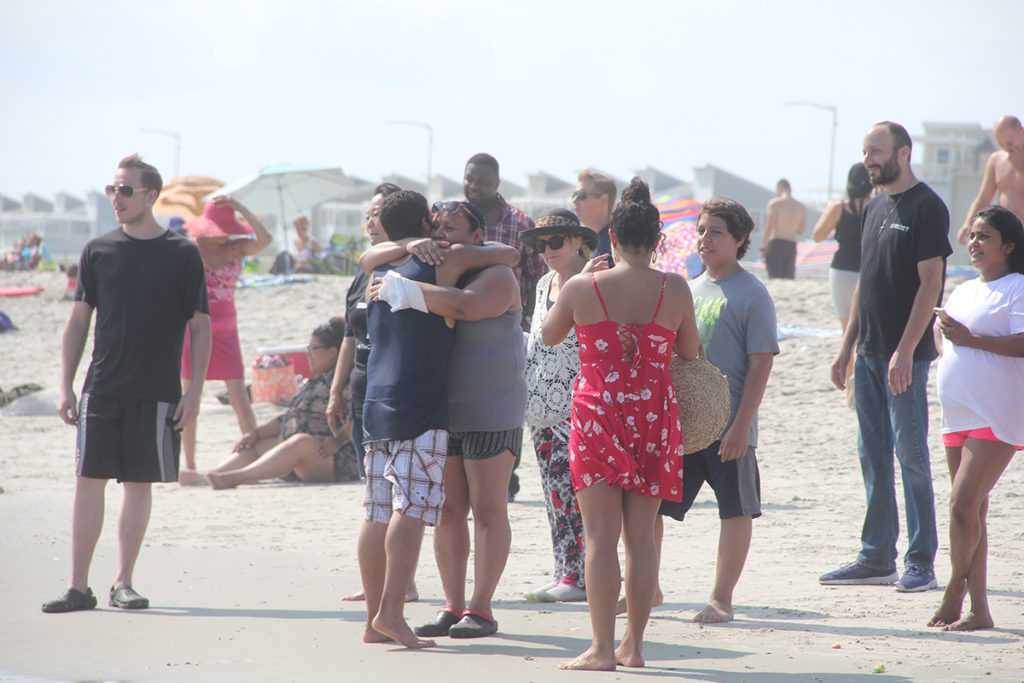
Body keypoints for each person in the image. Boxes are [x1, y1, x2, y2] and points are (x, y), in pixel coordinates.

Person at [543, 177, 699, 671]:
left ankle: (601, 648)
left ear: (611, 238)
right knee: (641, 537)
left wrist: (578, 282)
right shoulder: (674, 288)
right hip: (653, 415)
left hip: (597, 415)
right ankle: (635, 646)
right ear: (658, 242)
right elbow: (690, 352)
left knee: (599, 538)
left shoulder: (583, 286)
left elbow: (549, 336)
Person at [43, 154, 211, 613]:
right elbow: (77, 324)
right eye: (112, 190)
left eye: (125, 190)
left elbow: (200, 326)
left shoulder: (182, 252)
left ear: (150, 195)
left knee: (139, 485)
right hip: (102, 386)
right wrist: (66, 385)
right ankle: (78, 586)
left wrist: (194, 391)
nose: (116, 198)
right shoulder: (98, 250)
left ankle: (123, 582)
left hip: (157, 391)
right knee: (88, 481)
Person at [362, 201, 521, 639]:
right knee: (448, 509)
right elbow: (369, 258)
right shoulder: (425, 262)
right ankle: (452, 605)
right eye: (438, 227)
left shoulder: (495, 273)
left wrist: (401, 289)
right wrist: (405, 259)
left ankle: (481, 607)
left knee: (489, 509)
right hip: (441, 408)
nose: (444, 235)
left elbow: (467, 307)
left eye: (453, 228)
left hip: (492, 407)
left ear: (478, 234)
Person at [821, 121, 952, 592]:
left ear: (903, 152)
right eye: (865, 152)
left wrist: (903, 351)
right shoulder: (874, 206)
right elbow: (865, 283)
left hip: (905, 360)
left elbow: (930, 283)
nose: (868, 159)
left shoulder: (927, 207)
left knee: (911, 456)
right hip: (869, 354)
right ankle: (877, 557)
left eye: (876, 151)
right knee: (872, 457)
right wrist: (845, 348)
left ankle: (921, 561)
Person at [654, 197, 778, 623]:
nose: (705, 239)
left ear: (739, 240)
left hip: (730, 428)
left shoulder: (752, 295)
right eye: (702, 230)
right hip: (686, 427)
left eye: (716, 232)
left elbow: (761, 362)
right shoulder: (688, 286)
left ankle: (722, 598)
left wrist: (742, 427)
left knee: (736, 510)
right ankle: (647, 588)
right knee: (653, 507)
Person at [929, 206, 1024, 631]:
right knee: (973, 514)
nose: (974, 242)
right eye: (972, 235)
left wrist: (971, 338)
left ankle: (954, 591)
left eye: (985, 236)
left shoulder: (1018, 287)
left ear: (1008, 245)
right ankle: (980, 610)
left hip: (997, 412)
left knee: (961, 504)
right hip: (957, 412)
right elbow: (949, 342)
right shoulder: (964, 289)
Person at [328, 183, 421, 605]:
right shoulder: (363, 272)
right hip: (363, 387)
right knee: (374, 490)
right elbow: (349, 335)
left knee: (400, 490)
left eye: (378, 213)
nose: (371, 221)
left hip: (397, 388)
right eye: (367, 214)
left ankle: (402, 583)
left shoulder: (416, 262)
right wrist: (335, 393)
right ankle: (379, 581)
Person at [520, 209, 602, 603]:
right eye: (541, 244)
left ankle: (580, 576)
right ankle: (566, 572)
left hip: (580, 405)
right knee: (555, 494)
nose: (547, 250)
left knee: (580, 496)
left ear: (576, 242)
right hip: (540, 406)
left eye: (556, 242)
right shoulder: (543, 284)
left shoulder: (595, 280)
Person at [179, 318, 359, 489]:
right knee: (257, 444)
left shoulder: (347, 381)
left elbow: (357, 416)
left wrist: (336, 442)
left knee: (299, 442)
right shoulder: (315, 380)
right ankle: (210, 475)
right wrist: (256, 433)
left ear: (333, 352)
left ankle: (237, 477)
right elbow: (288, 417)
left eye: (313, 348)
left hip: (332, 456)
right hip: (299, 453)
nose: (308, 354)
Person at [464, 152, 544, 501]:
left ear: (496, 184)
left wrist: (526, 319)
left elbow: (536, 274)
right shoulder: (454, 220)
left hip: (508, 327)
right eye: (469, 179)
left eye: (482, 181)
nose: (474, 187)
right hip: (464, 323)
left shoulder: (520, 223)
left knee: (508, 402)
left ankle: (506, 480)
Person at [180, 197, 272, 477]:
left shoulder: (236, 249)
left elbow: (265, 240)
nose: (225, 235)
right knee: (189, 401)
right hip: (194, 332)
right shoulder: (189, 250)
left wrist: (243, 209)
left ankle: (253, 463)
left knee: (241, 402)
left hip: (228, 334)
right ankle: (190, 467)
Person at [812, 164, 875, 395]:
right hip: (868, 269)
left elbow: (817, 235)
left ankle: (850, 389)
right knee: (866, 331)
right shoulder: (877, 205)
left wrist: (830, 212)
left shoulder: (839, 207)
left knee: (846, 331)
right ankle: (859, 387)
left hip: (842, 270)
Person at [956, 116, 1024, 245]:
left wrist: (1021, 168)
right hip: (1007, 235)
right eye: (1001, 145)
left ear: (1022, 131)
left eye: (1010, 143)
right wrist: (968, 224)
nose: (1006, 149)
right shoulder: (996, 160)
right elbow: (983, 199)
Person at [761, 179, 806, 279]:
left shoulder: (775, 203)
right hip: (791, 245)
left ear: (779, 188)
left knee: (774, 278)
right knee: (788, 279)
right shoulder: (801, 207)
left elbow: (769, 226)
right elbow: (801, 231)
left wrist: (763, 247)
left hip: (776, 244)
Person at [572, 169, 617, 266]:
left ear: (604, 200)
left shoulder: (618, 243)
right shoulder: (583, 243)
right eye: (574, 195)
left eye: (581, 195)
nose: (574, 200)